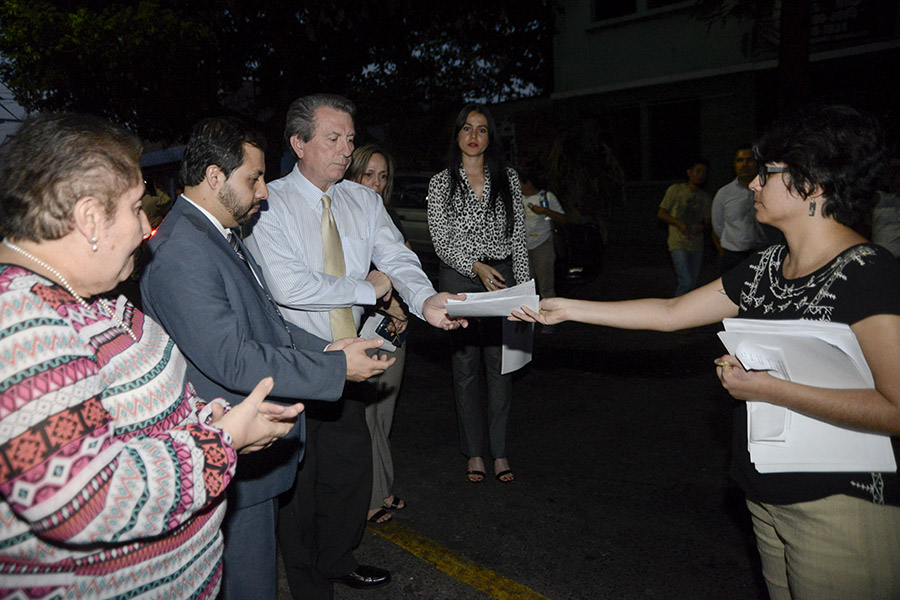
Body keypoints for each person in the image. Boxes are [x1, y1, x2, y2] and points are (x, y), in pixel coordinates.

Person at [514, 105, 900, 600]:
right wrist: (569, 309)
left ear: (815, 184)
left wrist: (768, 389)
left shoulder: (867, 270)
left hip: (837, 506)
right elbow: (672, 312)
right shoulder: (766, 265)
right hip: (766, 498)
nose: (753, 184)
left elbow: (893, 406)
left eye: (767, 173)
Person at [0, 113, 304, 598]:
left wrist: (210, 419)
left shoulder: (88, 296)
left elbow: (133, 422)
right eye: (136, 207)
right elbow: (86, 501)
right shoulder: (21, 324)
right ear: (88, 218)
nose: (146, 226)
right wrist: (222, 441)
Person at [140, 118, 393, 600]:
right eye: (252, 179)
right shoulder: (183, 250)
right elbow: (232, 357)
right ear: (215, 177)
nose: (264, 192)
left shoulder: (214, 232)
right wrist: (336, 370)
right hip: (230, 451)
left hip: (246, 456)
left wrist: (327, 348)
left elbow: (268, 320)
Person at [243, 93, 465, 598]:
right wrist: (371, 288)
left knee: (349, 474)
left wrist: (425, 298)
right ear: (299, 143)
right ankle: (308, 583)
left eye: (350, 139)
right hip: (297, 360)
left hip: (353, 361)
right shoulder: (268, 201)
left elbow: (397, 258)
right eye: (333, 139)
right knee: (298, 483)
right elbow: (290, 286)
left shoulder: (362, 201)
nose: (347, 150)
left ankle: (337, 559)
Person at [426, 103, 529, 483]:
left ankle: (500, 452)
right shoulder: (441, 182)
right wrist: (475, 266)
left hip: (501, 276)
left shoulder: (509, 179)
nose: (473, 136)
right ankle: (474, 452)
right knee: (465, 367)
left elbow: (518, 238)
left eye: (481, 129)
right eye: (466, 128)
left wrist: (523, 291)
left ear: (490, 138)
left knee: (500, 367)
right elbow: (440, 242)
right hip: (460, 278)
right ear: (457, 135)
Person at [344, 143, 409, 525]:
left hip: (396, 328)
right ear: (352, 175)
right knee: (367, 416)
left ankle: (381, 487)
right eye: (368, 174)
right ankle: (371, 498)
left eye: (383, 176)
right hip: (366, 329)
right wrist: (389, 305)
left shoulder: (389, 216)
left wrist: (404, 309)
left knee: (384, 414)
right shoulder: (342, 219)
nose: (376, 183)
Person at [712, 145, 775, 274]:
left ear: (756, 163)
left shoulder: (769, 190)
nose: (745, 164)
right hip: (733, 256)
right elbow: (718, 225)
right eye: (740, 160)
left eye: (749, 160)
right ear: (734, 165)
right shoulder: (724, 193)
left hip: (762, 253)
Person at [657, 158, 712, 296]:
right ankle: (675, 312)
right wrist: (679, 224)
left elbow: (708, 221)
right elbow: (661, 213)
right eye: (698, 171)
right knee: (686, 281)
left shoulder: (705, 197)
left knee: (692, 284)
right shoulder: (675, 190)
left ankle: (687, 314)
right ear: (689, 173)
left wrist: (700, 228)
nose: (701, 175)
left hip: (696, 244)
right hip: (678, 242)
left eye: (704, 172)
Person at [519, 164, 566, 304]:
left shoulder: (546, 196)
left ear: (528, 183)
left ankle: (549, 319)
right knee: (525, 287)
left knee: (546, 286)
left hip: (542, 244)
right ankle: (528, 319)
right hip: (522, 247)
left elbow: (563, 219)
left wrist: (545, 211)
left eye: (519, 182)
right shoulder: (515, 198)